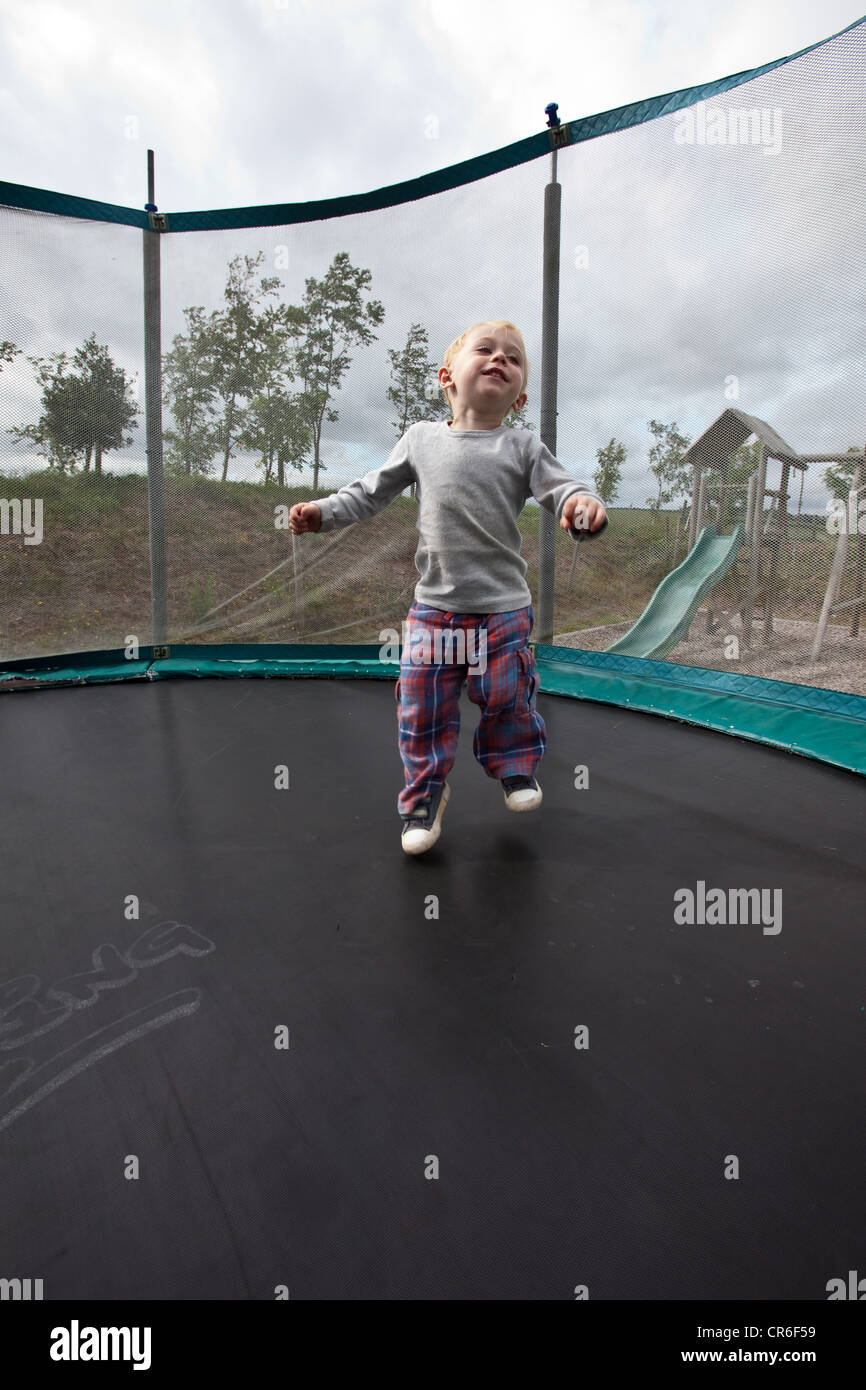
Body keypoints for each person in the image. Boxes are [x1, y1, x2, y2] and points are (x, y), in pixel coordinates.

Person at [289, 320, 608, 855]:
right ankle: (425, 794)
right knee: (422, 707)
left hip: (503, 611)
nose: (499, 359)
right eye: (486, 350)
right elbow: (370, 493)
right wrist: (321, 513)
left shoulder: (523, 445)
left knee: (505, 696)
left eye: (513, 358)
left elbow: (563, 490)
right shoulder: (421, 439)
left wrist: (582, 506)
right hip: (435, 612)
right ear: (447, 378)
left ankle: (513, 768)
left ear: (520, 396)